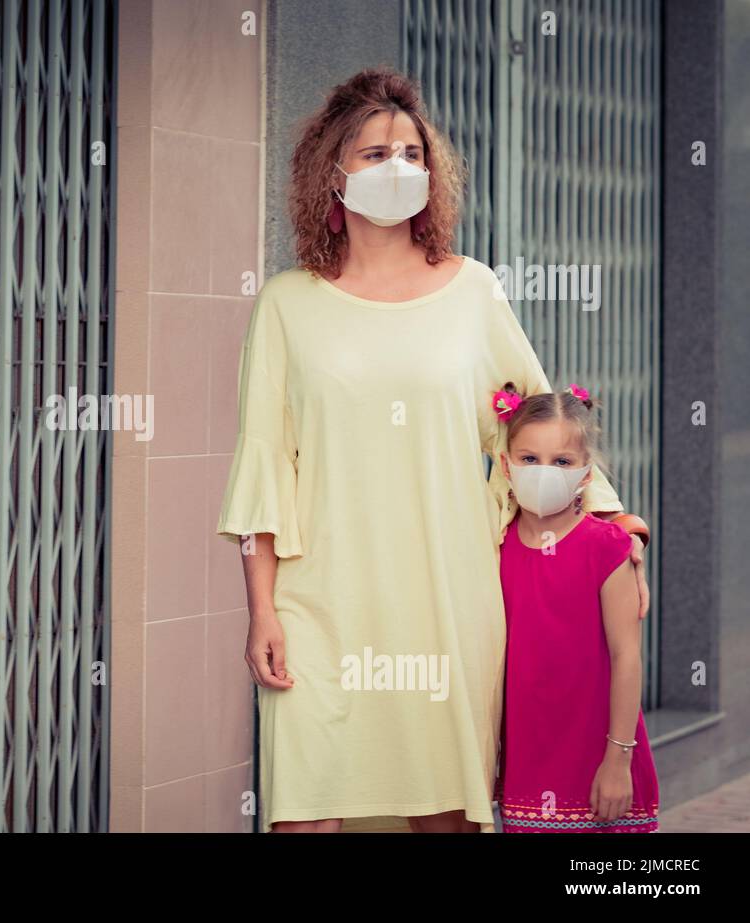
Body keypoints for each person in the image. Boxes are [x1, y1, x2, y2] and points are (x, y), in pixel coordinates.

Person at [215, 67, 652, 834]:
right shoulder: (285, 304)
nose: (399, 167)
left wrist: (614, 525)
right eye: (375, 153)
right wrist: (261, 611)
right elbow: (264, 465)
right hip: (319, 601)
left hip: (448, 593)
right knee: (305, 810)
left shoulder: (472, 291)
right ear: (333, 173)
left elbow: (540, 426)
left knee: (444, 814)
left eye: (412, 153)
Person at [493, 383, 660, 832]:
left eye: (562, 462)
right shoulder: (495, 547)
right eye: (530, 459)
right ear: (506, 465)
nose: (543, 472)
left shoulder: (607, 548)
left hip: (601, 756)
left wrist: (618, 761)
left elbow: (627, 657)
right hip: (529, 760)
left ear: (587, 474)